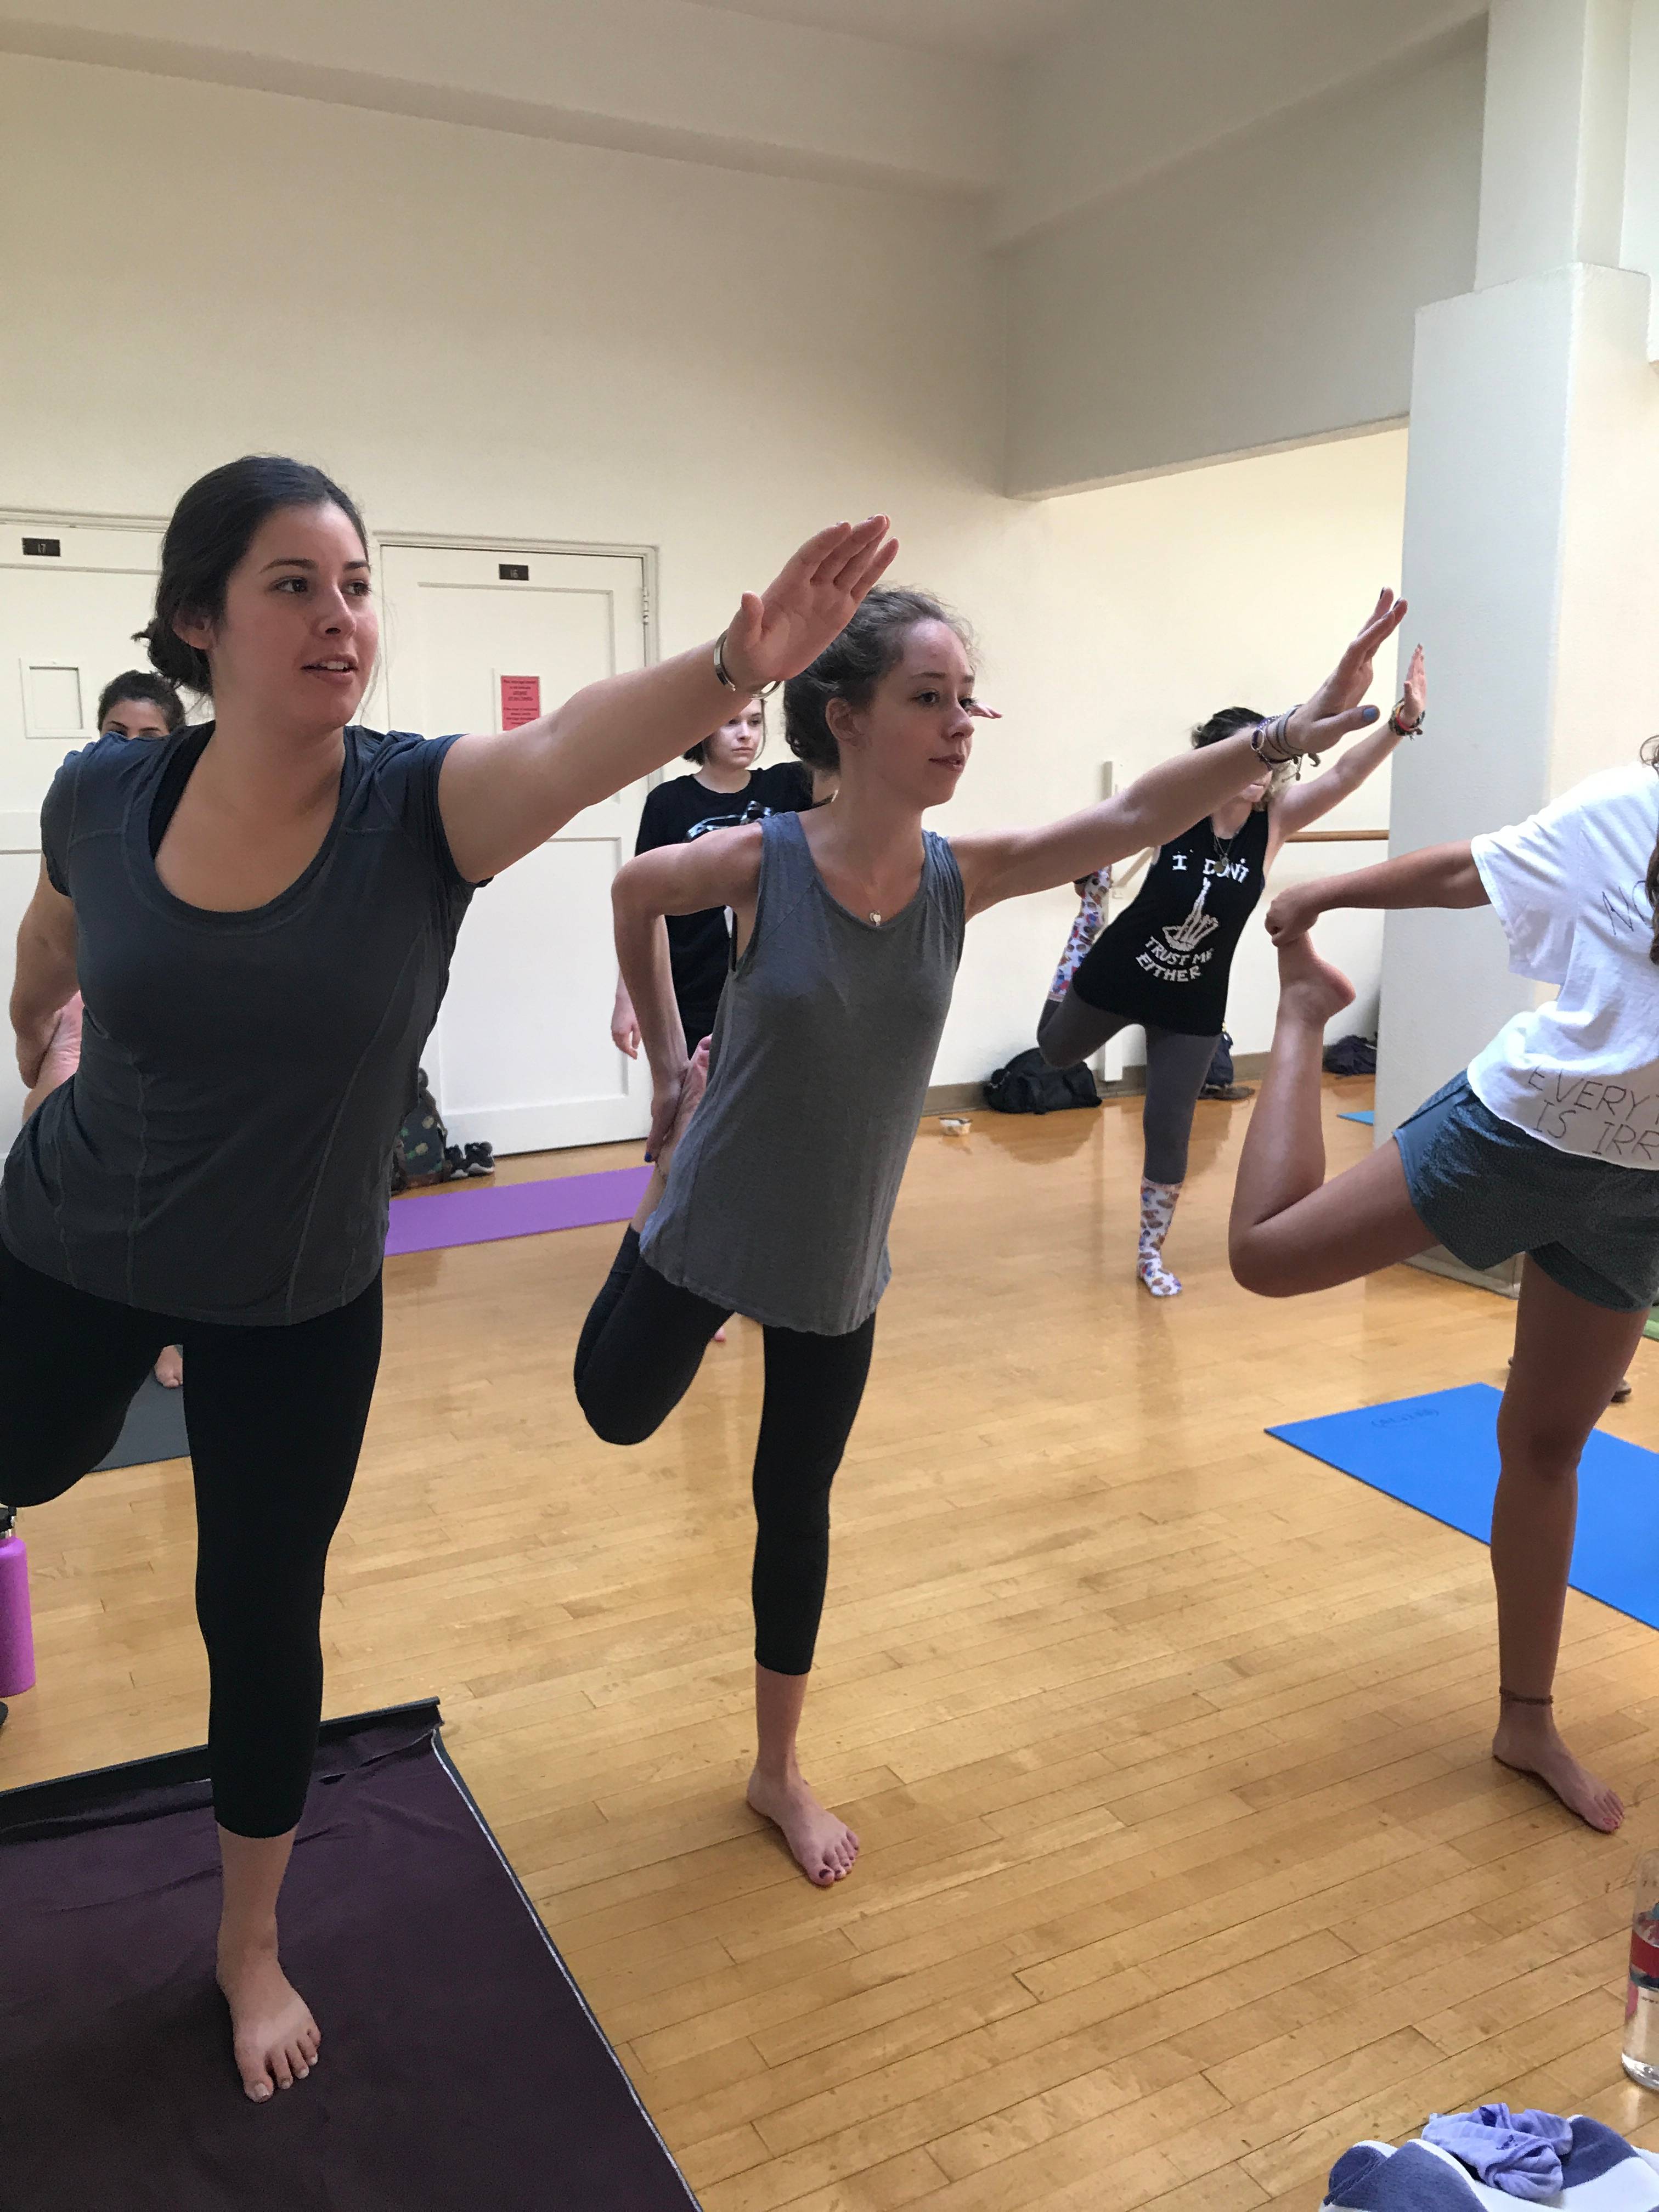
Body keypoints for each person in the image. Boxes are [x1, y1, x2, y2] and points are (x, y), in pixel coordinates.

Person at [0, 453, 896, 2102]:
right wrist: (44, 1063)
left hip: (291, 1297)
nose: (341, 618)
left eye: (355, 584)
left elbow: (565, 746)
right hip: (70, 1241)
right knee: (19, 1463)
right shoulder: (102, 798)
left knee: (260, 1617)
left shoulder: (418, 808)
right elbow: (46, 960)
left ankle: (248, 1943)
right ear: (201, 620)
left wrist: (734, 668)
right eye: (294, 586)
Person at [574, 584, 1408, 1888]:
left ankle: (776, 1771)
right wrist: (671, 1072)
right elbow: (634, 889)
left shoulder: (966, 876)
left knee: (793, 1509)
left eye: (968, 699)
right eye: (929, 698)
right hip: (704, 1218)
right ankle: (645, 1218)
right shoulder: (761, 860)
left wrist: (1286, 734)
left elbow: (1137, 812)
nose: (960, 724)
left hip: (837, 1262)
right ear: (843, 721)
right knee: (616, 1412)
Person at [1229, 745, 1659, 1835]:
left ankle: (1528, 1718)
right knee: (1268, 1257)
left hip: (1641, 1195)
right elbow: (1473, 871)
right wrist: (1324, 890)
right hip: (1517, 1131)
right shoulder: (1628, 808)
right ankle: (1297, 1018)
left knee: (1550, 1442)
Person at [1036, 648, 1426, 1296]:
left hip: (1193, 998)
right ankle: (1082, 934)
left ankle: (1150, 1255)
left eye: (1269, 763)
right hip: (1121, 971)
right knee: (1054, 1053)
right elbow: (1118, 817)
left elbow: (1345, 778)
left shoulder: (1273, 824)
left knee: (1170, 1126)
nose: (1257, 774)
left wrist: (1399, 724)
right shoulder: (1177, 811)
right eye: (1245, 760)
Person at [22, 672, 189, 1384]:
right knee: (47, 1130)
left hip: (170, 1026)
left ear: (175, 746)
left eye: (149, 739)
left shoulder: (197, 824)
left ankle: (165, 1329)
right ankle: (74, 1314)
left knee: (163, 1174)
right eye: (116, 736)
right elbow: (45, 948)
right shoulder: (77, 816)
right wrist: (36, 1040)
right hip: (91, 1011)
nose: (129, 751)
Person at [610, 696, 816, 1061]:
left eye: (755, 722)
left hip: (775, 985)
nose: (746, 735)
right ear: (703, 728)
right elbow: (640, 907)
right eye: (731, 723)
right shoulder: (668, 803)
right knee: (700, 1100)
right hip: (694, 988)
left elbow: (851, 768)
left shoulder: (790, 785)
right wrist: (627, 998)